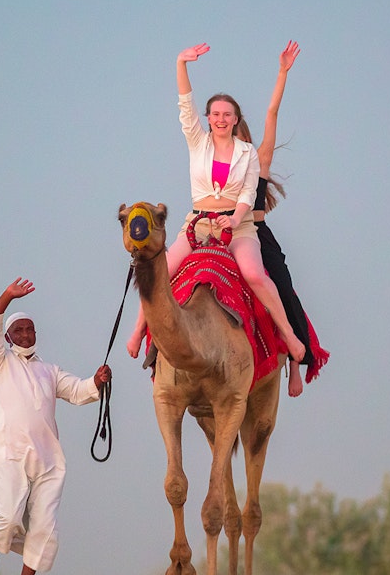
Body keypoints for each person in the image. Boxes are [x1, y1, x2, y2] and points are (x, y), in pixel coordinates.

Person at [126, 43, 307, 363]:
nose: (223, 123)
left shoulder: (253, 156)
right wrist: (180, 63)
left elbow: (270, 117)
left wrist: (282, 73)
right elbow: (185, 108)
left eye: (229, 118)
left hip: (243, 227)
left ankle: (291, 340)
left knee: (264, 276)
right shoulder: (200, 145)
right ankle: (139, 329)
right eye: (217, 116)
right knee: (161, 270)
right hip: (198, 223)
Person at [0, 277, 111, 575]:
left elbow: (78, 391)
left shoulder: (50, 371)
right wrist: (7, 296)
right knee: (7, 519)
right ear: (8, 337)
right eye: (18, 330)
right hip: (9, 453)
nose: (25, 335)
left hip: (48, 460)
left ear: (36, 334)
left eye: (29, 329)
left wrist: (98, 380)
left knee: (45, 527)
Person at [237, 40, 328, 397]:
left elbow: (271, 114)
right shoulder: (220, 168)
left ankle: (293, 360)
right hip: (226, 233)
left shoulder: (258, 161)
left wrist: (282, 73)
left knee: (284, 287)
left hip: (256, 233)